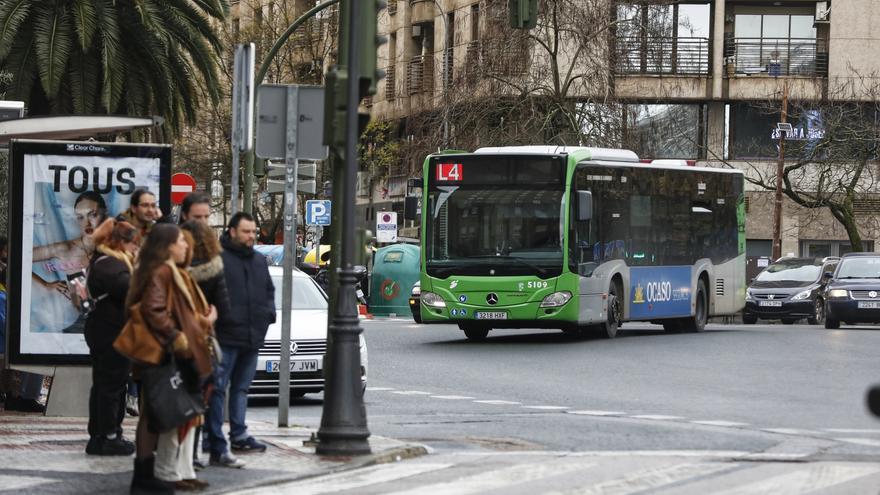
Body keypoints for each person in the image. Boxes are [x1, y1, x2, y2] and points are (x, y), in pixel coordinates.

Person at [127, 224, 217, 494]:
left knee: (153, 415)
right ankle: (144, 478)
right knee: (157, 415)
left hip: (161, 353)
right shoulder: (162, 271)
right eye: (180, 242)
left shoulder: (161, 271)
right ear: (166, 246)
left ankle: (145, 476)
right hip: (164, 354)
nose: (186, 246)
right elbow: (154, 310)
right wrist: (178, 338)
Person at [207, 212, 275, 468]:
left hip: (252, 336)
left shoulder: (259, 260)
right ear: (233, 231)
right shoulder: (219, 259)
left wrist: (267, 317)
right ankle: (212, 438)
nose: (251, 237)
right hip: (225, 336)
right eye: (246, 232)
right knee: (216, 388)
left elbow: (268, 291)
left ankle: (239, 434)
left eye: (253, 232)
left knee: (242, 389)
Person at [84, 219, 140, 456]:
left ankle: (100, 435)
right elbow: (130, 289)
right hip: (111, 333)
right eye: (132, 243)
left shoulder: (106, 262)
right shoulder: (109, 264)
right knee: (111, 386)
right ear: (118, 242)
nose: (135, 248)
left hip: (108, 330)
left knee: (106, 385)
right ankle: (108, 435)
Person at [180, 219, 230, 470]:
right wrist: (211, 319)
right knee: (202, 398)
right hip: (203, 342)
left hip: (176, 340)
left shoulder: (174, 269)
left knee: (177, 397)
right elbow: (224, 307)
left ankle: (176, 453)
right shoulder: (215, 269)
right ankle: (195, 453)